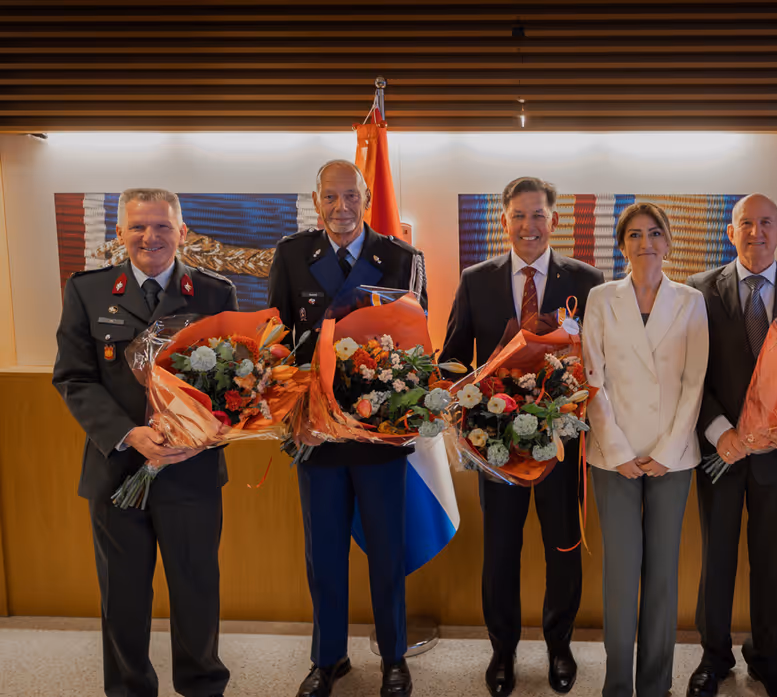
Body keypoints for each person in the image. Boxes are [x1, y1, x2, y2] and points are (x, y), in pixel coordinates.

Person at [53, 188, 237, 697]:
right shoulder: (87, 291)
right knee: (124, 596)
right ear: (119, 233)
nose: (149, 237)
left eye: (161, 226)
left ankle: (202, 687)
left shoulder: (215, 293)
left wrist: (199, 434)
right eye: (137, 227)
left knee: (197, 589)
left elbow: (234, 382)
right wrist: (130, 434)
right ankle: (130, 690)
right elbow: (73, 377)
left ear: (182, 232)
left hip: (191, 469)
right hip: (116, 471)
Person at [267, 159, 428, 697]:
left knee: (387, 553)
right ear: (317, 201)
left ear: (365, 199)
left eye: (352, 197)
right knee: (325, 553)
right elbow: (276, 341)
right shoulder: (292, 255)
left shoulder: (401, 258)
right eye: (331, 198)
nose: (342, 208)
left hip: (377, 433)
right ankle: (327, 657)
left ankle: (394, 657)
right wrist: (295, 416)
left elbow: (414, 348)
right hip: (315, 435)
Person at [441, 176, 604, 697]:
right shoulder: (476, 279)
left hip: (561, 444)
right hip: (497, 447)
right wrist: (459, 405)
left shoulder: (587, 278)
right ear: (503, 221)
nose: (529, 225)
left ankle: (559, 647)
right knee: (501, 551)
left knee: (563, 547)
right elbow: (451, 356)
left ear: (554, 221)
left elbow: (599, 360)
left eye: (539, 215)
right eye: (519, 215)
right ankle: (503, 651)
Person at [685, 194, 777, 697]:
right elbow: (689, 375)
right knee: (718, 557)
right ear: (731, 233)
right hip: (720, 451)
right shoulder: (698, 291)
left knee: (769, 559)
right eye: (745, 223)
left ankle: (767, 658)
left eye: (765, 223)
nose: (756, 232)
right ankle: (713, 657)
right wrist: (718, 429)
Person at [581, 202, 709, 697]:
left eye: (655, 233)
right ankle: (618, 685)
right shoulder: (600, 297)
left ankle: (655, 685)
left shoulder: (690, 300)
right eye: (634, 235)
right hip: (613, 457)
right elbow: (593, 379)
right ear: (622, 245)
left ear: (669, 241)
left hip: (671, 457)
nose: (645, 243)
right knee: (620, 574)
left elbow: (695, 381)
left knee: (662, 574)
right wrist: (616, 449)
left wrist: (669, 449)